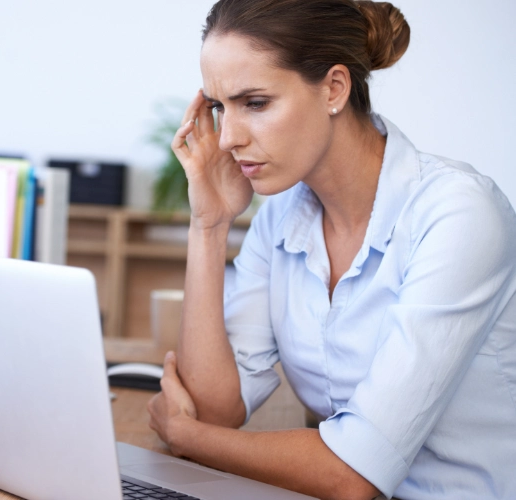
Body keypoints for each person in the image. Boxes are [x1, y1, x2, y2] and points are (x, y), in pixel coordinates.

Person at [146, 0, 516, 499]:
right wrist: (209, 226)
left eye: (254, 103)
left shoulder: (458, 215)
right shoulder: (281, 214)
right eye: (218, 107)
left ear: (334, 89)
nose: (228, 138)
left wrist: (188, 437)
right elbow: (214, 409)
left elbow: (354, 474)